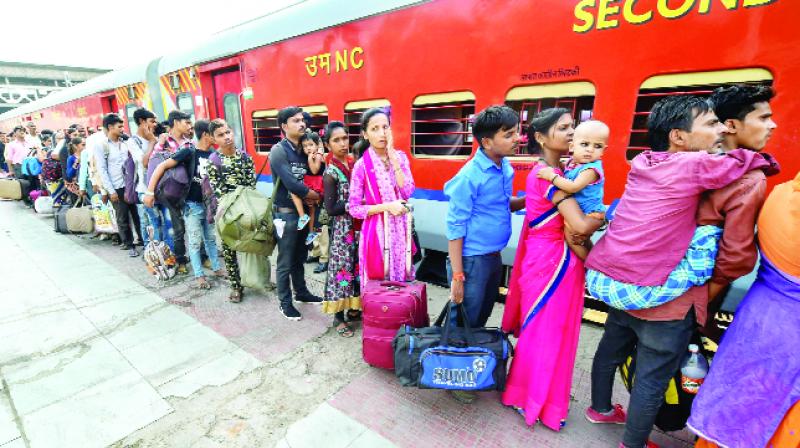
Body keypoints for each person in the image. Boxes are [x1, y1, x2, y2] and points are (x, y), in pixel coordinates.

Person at [585, 95, 774, 448]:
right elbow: (735, 260)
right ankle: (633, 443)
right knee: (651, 380)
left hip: (620, 284)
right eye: (711, 124)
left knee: (609, 351)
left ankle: (599, 409)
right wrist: (760, 160)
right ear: (679, 137)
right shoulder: (719, 172)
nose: (718, 130)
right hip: (667, 303)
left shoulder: (644, 162)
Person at [501, 108, 604, 428]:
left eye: (573, 126)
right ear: (541, 138)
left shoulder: (563, 170)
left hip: (553, 257)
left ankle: (535, 396)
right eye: (563, 128)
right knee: (546, 333)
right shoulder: (547, 175)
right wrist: (600, 219)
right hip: (554, 263)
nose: (571, 133)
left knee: (548, 332)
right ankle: (532, 400)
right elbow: (580, 225)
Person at [689, 170, 799, 448]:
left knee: (736, 390)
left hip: (757, 315)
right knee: (780, 413)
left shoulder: (781, 195)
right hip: (793, 335)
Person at [144, 119, 226, 289]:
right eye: (215, 134)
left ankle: (217, 268)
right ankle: (199, 275)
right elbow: (162, 167)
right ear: (206, 135)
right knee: (195, 242)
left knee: (210, 239)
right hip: (192, 205)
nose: (219, 138)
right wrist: (150, 192)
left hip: (208, 205)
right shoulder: (189, 152)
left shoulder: (212, 154)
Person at [348, 107, 416, 287]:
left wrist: (394, 160)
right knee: (379, 283)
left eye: (385, 127)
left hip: (401, 230)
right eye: (374, 128)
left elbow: (408, 192)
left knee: (400, 283)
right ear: (365, 134)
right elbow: (354, 208)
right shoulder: (361, 166)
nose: (381, 133)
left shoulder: (400, 157)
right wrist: (387, 207)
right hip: (377, 231)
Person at [269, 106, 323, 320]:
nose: (302, 124)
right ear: (284, 126)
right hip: (286, 214)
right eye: (295, 121)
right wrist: (316, 196)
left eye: (302, 120)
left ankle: (301, 292)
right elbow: (291, 182)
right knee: (285, 260)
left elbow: (314, 172)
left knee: (300, 257)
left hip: (305, 212)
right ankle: (284, 303)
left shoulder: (303, 148)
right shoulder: (279, 150)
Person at [205, 119, 256, 303]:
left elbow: (251, 185)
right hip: (227, 213)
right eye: (221, 135)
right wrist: (236, 208)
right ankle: (236, 285)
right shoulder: (214, 162)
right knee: (229, 250)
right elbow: (220, 193)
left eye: (228, 133)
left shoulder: (245, 157)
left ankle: (257, 279)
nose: (226, 137)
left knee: (256, 245)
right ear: (213, 139)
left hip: (248, 210)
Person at [320, 121, 361, 337]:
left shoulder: (355, 164)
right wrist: (353, 205)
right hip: (343, 232)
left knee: (356, 268)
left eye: (345, 138)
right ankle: (338, 317)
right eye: (336, 140)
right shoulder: (331, 173)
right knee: (341, 272)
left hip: (358, 229)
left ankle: (354, 308)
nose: (343, 143)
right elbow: (331, 208)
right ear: (328, 145)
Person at [148, 111, 195, 274]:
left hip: (188, 189)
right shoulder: (163, 141)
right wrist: (150, 192)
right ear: (175, 122)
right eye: (186, 122)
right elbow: (154, 164)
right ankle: (181, 259)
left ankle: (201, 256)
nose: (189, 126)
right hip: (171, 191)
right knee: (178, 227)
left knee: (195, 225)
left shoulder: (189, 142)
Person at [93, 113, 142, 257]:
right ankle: (128, 244)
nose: (122, 129)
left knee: (137, 214)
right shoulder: (101, 146)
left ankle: (142, 240)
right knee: (122, 216)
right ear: (110, 127)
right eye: (119, 126)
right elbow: (101, 170)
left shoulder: (125, 143)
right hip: (116, 186)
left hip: (130, 184)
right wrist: (110, 190)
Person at [536, 120, 608, 214]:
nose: (590, 150)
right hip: (577, 211)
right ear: (572, 147)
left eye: (598, 146)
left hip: (590, 214)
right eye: (584, 144)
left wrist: (551, 176)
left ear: (603, 150)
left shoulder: (590, 170)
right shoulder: (572, 162)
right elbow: (565, 169)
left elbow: (573, 187)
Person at [129, 108, 164, 247]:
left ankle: (161, 251)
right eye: (152, 121)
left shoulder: (156, 137)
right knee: (150, 221)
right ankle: (150, 250)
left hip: (160, 186)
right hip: (144, 188)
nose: (155, 124)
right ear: (142, 122)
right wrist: (151, 142)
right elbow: (144, 163)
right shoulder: (133, 141)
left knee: (159, 222)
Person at [290, 131, 324, 245]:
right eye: (305, 146)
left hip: (316, 185)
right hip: (310, 183)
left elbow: (314, 170)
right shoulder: (311, 155)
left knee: (294, 192)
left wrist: (310, 158)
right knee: (312, 211)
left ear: (317, 145)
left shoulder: (318, 156)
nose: (308, 148)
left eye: (310, 145)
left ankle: (302, 217)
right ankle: (311, 232)